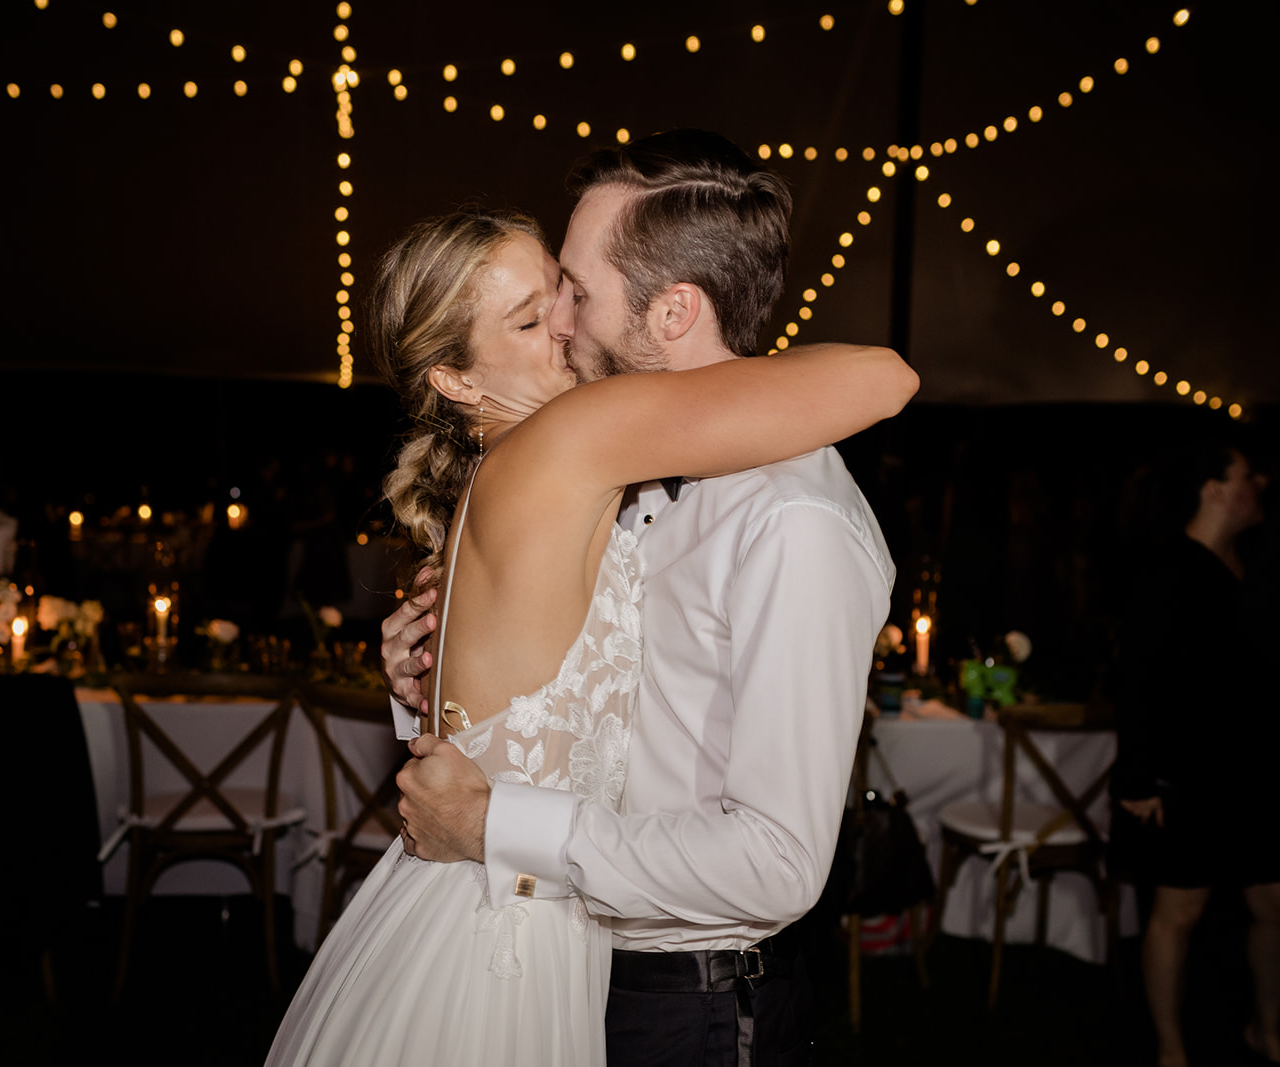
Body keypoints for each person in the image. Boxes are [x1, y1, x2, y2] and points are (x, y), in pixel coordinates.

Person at [265, 201, 918, 1062]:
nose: (565, 327)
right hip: (508, 931)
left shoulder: (512, 471)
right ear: (456, 380)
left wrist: (422, 685)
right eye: (530, 319)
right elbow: (884, 378)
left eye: (564, 293)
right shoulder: (568, 440)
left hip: (494, 913)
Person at [1111, 439, 1280, 1067]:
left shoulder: (1256, 564)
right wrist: (1138, 780)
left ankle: (1267, 1032)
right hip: (1188, 775)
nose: (1260, 484)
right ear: (1212, 489)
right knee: (1180, 912)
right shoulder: (1167, 572)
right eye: (1247, 476)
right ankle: (1171, 1049)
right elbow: (1136, 681)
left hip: (1256, 775)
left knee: (1276, 905)